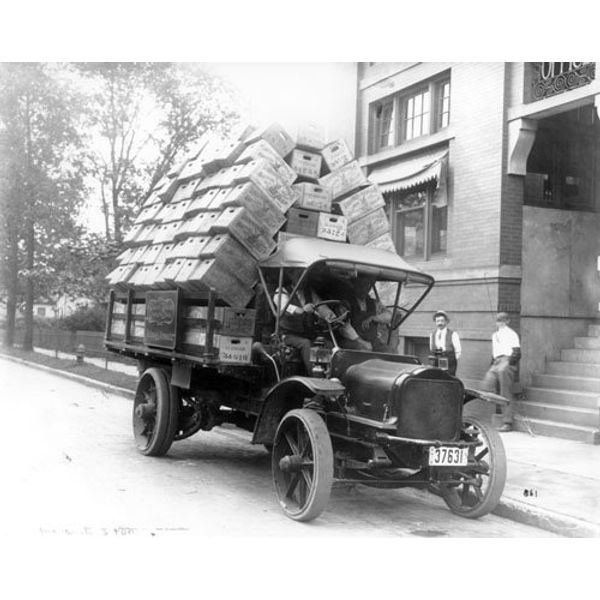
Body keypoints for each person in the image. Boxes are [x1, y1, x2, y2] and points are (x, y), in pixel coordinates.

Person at [481, 312, 521, 432]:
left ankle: (507, 422)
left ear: (507, 321)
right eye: (498, 320)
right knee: (486, 385)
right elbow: (494, 353)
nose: (500, 323)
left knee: (505, 392)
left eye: (503, 320)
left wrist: (508, 365)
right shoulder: (495, 335)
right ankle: (497, 400)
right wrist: (493, 365)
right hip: (496, 361)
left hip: (507, 360)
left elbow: (517, 352)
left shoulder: (512, 334)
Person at [345, 276, 395, 353]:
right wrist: (361, 342)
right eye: (361, 285)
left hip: (373, 341)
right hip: (353, 341)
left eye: (367, 286)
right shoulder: (346, 303)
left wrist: (374, 318)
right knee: (363, 351)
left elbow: (389, 316)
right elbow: (345, 328)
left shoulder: (374, 303)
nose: (364, 289)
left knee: (390, 352)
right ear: (354, 285)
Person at [429, 310, 461, 376]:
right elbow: (431, 349)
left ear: (446, 321)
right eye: (437, 321)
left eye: (442, 321)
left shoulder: (453, 334)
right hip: (436, 361)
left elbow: (458, 351)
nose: (440, 323)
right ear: (435, 322)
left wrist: (450, 361)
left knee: (447, 379)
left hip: (449, 362)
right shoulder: (432, 334)